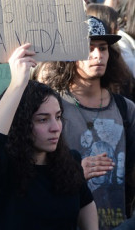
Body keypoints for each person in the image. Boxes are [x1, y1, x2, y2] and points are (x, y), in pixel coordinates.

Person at [0, 44, 97, 229]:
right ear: (20, 124)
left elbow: (86, 203)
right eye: (42, 120)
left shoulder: (69, 162)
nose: (55, 127)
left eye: (58, 117)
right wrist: (17, 84)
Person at [44, 16, 135, 229]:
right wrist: (74, 172)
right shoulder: (51, 108)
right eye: (89, 48)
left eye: (103, 48)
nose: (98, 55)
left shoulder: (126, 109)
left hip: (119, 222)